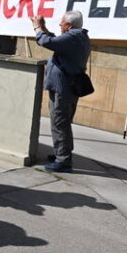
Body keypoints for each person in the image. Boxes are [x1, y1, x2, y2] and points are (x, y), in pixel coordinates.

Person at [31, 10, 91, 173]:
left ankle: (63, 160)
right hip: (66, 88)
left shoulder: (73, 37)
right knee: (63, 123)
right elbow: (55, 41)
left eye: (62, 22)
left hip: (63, 89)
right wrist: (43, 27)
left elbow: (46, 42)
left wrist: (37, 28)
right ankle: (62, 154)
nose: (59, 24)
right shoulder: (78, 36)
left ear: (70, 26)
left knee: (59, 122)